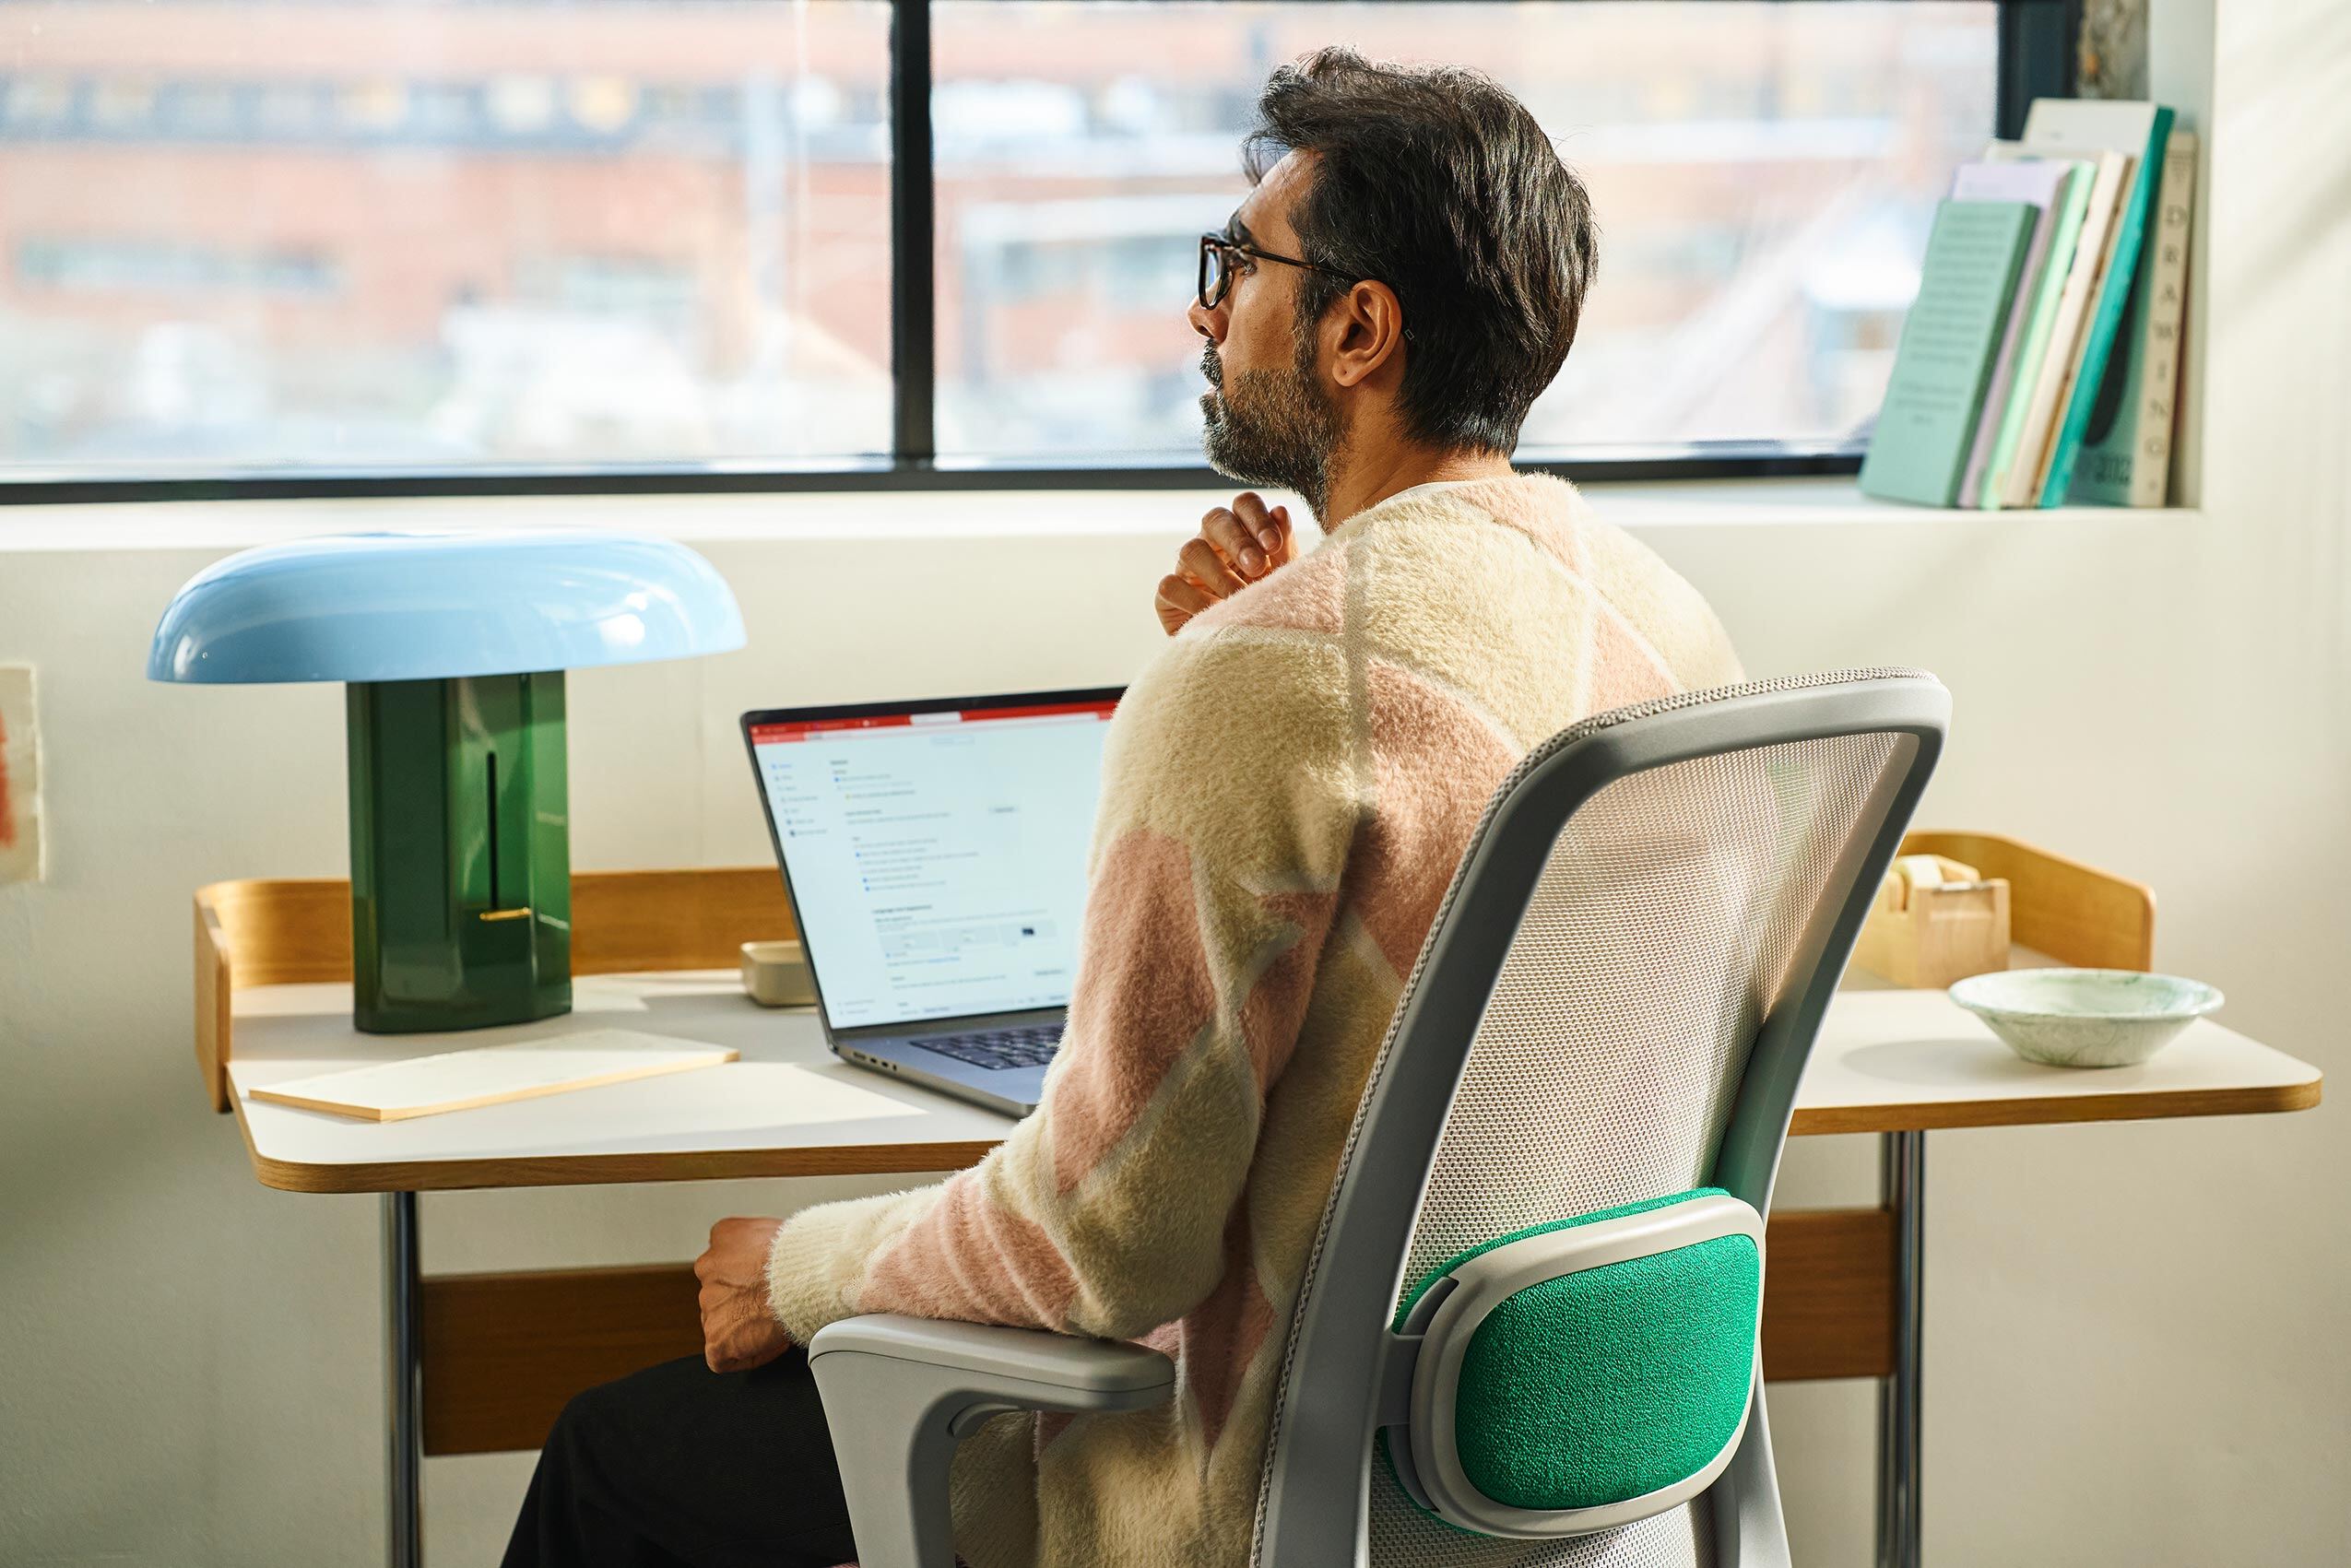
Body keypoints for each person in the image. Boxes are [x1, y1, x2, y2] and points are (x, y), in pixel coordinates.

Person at [505, 46, 1742, 1568]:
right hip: (1540, 1477)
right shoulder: (1670, 628)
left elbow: (1108, 1238)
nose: (1206, 314)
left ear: (1358, 326)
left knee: (613, 1456)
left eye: (1239, 264)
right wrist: (1289, 644)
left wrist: (807, 1266)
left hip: (1254, 1478)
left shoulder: (1267, 674)